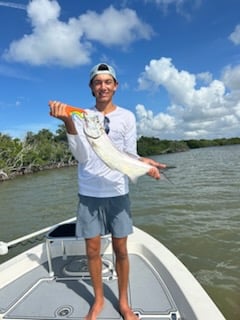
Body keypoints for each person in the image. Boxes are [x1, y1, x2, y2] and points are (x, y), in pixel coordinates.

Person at [49, 63, 166, 320]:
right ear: (91, 88)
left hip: (117, 192)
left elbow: (129, 154)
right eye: (97, 82)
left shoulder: (127, 117)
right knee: (92, 250)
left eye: (107, 82)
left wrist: (145, 164)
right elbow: (80, 155)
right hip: (89, 192)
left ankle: (124, 303)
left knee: (121, 250)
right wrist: (69, 121)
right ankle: (98, 300)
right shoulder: (82, 116)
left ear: (115, 86)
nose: (103, 86)